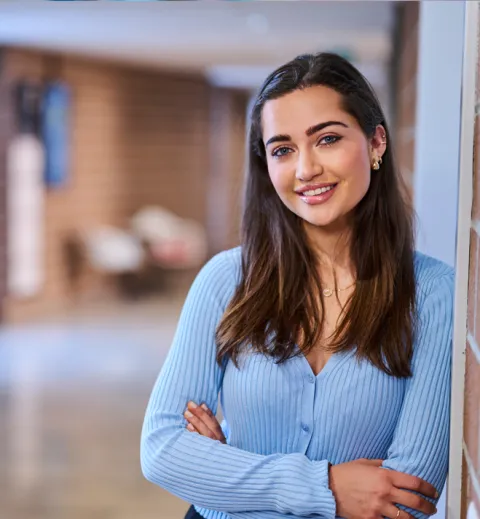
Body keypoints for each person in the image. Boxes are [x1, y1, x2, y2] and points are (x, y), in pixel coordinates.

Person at [140, 53, 454, 519]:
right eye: (282, 149)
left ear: (376, 143)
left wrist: (228, 475)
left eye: (327, 139)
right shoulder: (227, 280)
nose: (305, 169)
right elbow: (163, 450)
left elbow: (407, 499)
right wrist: (327, 486)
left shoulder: (433, 294)